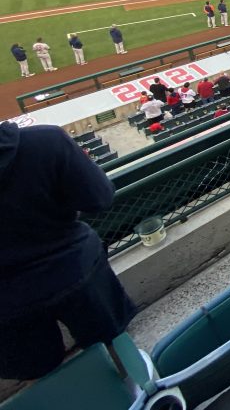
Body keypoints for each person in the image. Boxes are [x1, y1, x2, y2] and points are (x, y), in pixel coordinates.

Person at [0, 121, 135, 380]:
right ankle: (138, 387)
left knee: (41, 376)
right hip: (76, 270)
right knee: (113, 342)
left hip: (7, 303)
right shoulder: (46, 140)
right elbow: (100, 197)